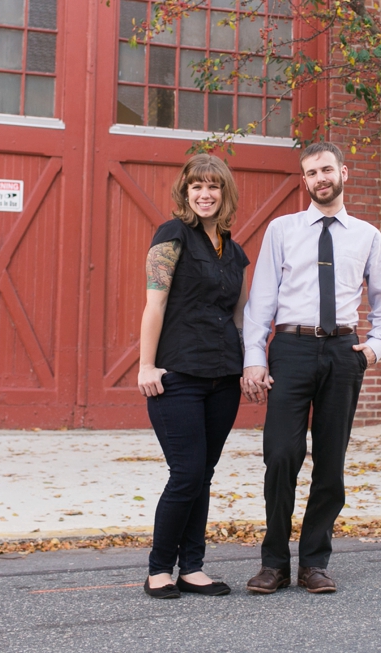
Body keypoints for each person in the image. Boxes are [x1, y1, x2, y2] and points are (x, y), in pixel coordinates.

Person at [241, 142, 381, 594]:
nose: (320, 178)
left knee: (330, 463)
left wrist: (373, 349)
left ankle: (314, 562)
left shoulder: (367, 235)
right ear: (305, 181)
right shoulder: (282, 230)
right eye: (311, 173)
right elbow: (261, 302)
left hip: (343, 353)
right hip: (290, 348)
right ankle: (274, 562)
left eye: (326, 169)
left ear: (343, 172)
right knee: (281, 456)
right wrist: (254, 358)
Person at [137, 154, 250, 599]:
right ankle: (159, 569)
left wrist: (250, 367)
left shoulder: (234, 250)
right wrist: (146, 365)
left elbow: (240, 318)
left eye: (213, 186)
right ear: (185, 193)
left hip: (223, 376)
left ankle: (193, 567)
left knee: (203, 473)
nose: (205, 194)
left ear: (225, 193)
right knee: (185, 472)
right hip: (177, 375)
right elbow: (155, 305)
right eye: (196, 186)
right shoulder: (172, 235)